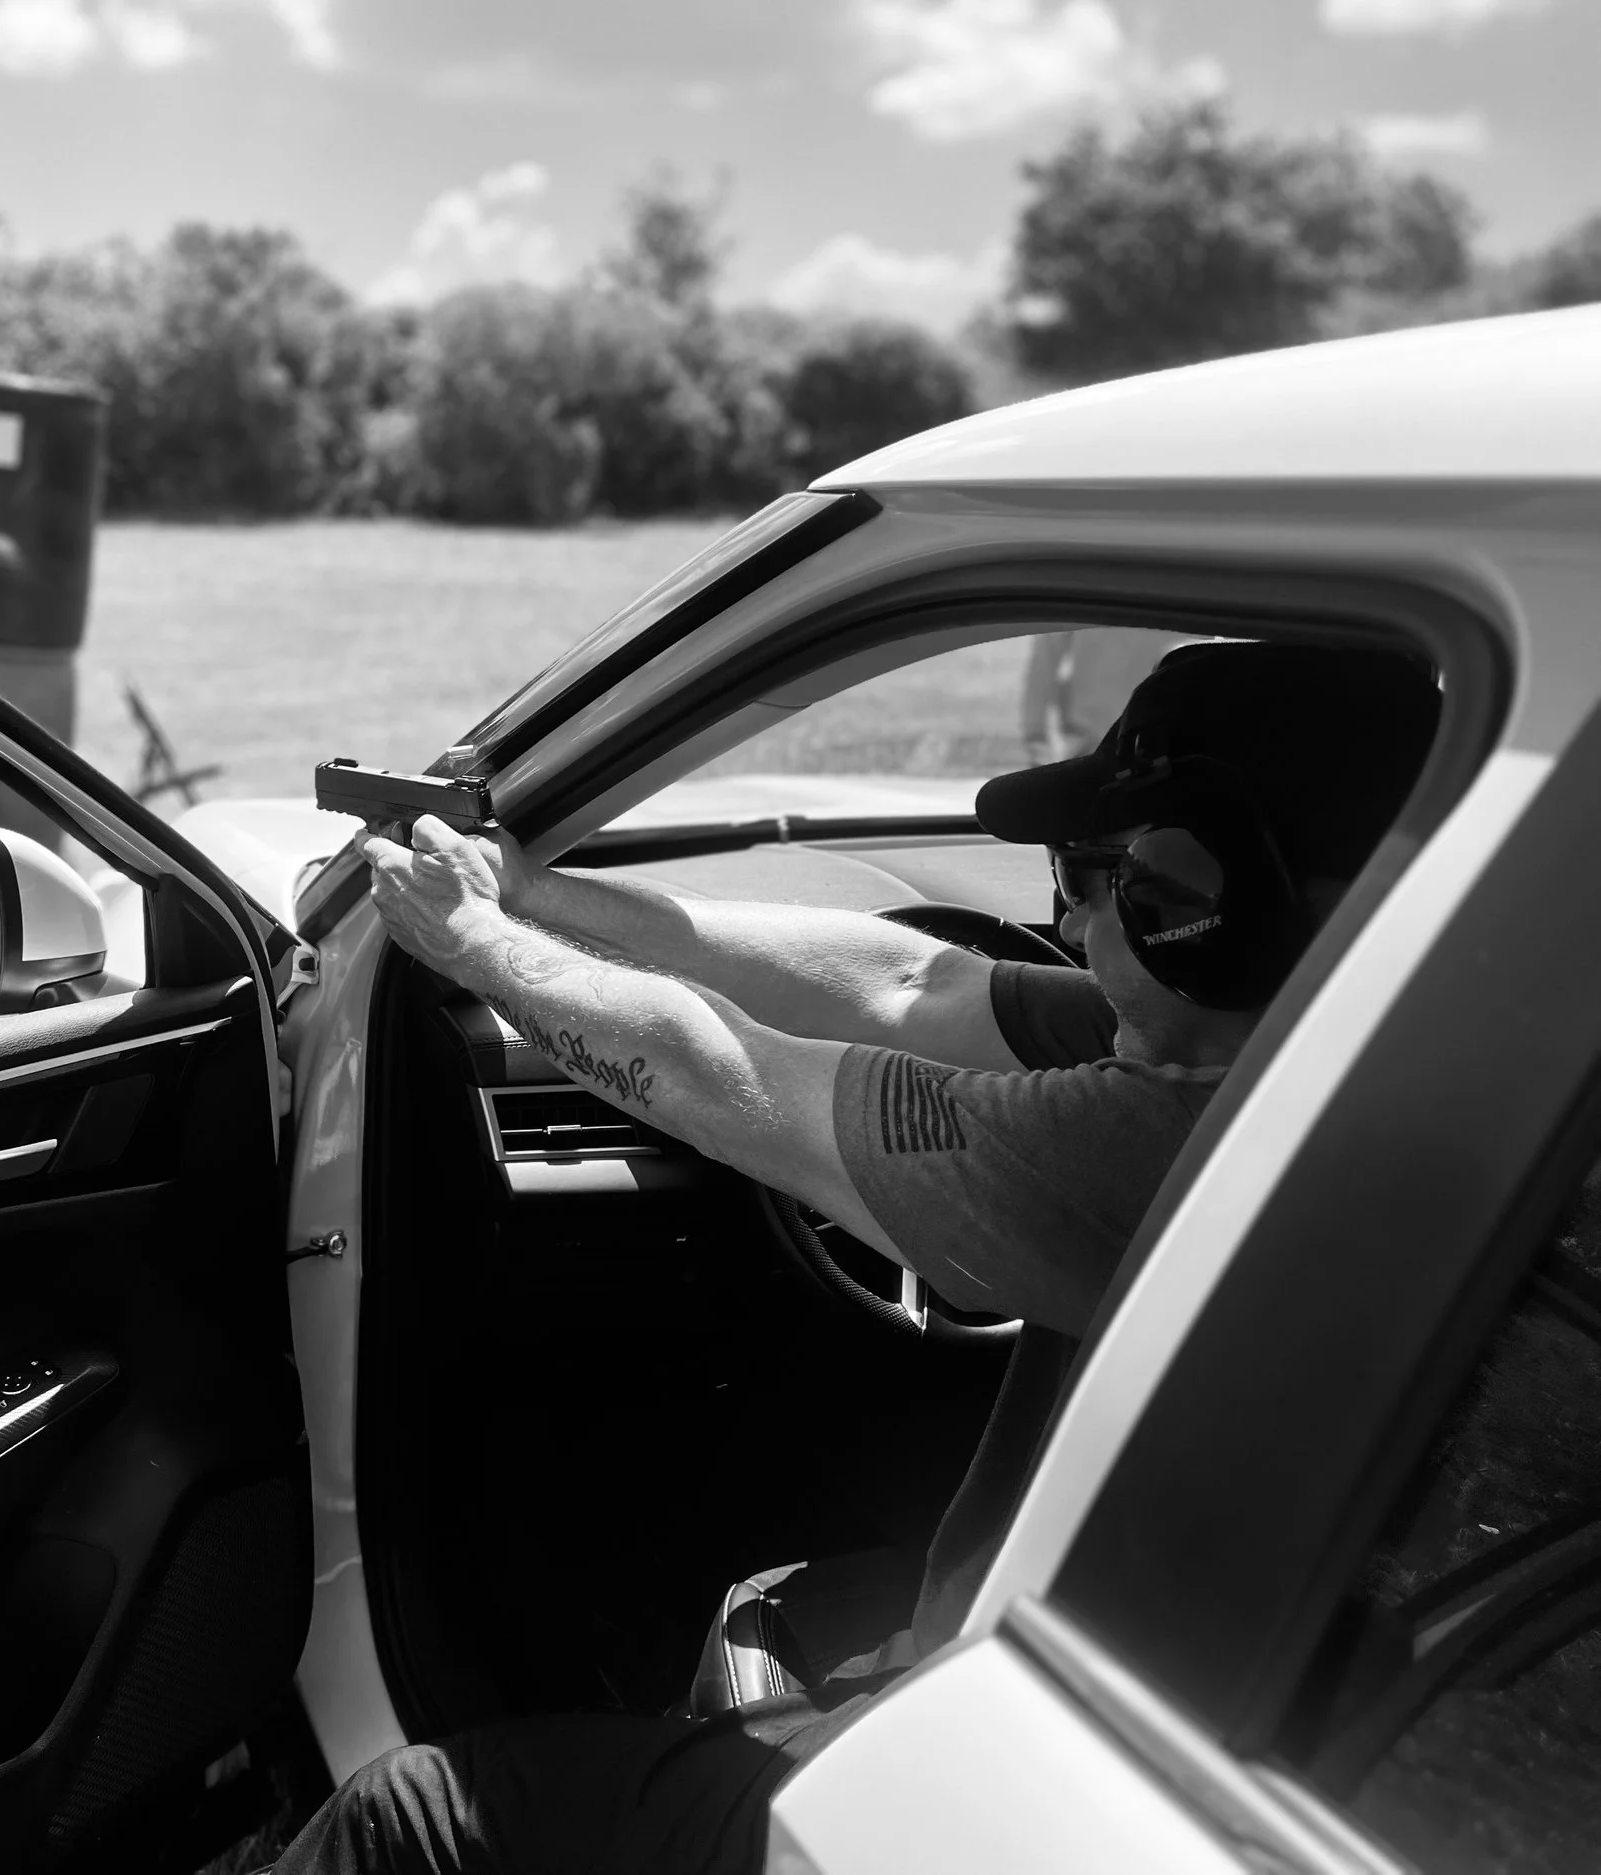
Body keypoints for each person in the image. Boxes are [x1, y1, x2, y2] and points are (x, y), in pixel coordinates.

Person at [268, 642, 1442, 1875]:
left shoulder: (1186, 1143)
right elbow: (909, 982)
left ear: (1232, 914)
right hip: (1186, 1696)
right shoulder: (1327, 1053)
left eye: (1116, 879)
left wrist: (480, 951)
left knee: (408, 1821)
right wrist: (535, 891)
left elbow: (746, 1089)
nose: (1068, 914)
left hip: (1031, 1797)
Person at [1020, 627, 1193, 763]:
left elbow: (1044, 663)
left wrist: (1037, 746)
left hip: (1099, 753)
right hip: (1171, 752)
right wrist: (1037, 743)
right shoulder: (1192, 587)